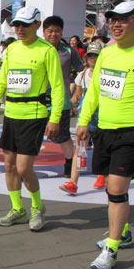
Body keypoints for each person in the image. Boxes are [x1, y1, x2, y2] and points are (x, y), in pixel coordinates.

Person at [76, 1, 134, 269]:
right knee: (112, 189)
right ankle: (123, 232)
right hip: (104, 130)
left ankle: (111, 249)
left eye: (124, 20)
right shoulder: (106, 53)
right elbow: (93, 92)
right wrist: (83, 121)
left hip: (132, 132)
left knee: (116, 188)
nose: (116, 24)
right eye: (113, 19)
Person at [0, 6, 64, 231]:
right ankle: (17, 209)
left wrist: (55, 117)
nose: (19, 29)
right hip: (11, 114)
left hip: (34, 115)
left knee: (23, 168)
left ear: (37, 25)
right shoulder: (11, 50)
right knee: (9, 165)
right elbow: (1, 80)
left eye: (25, 25)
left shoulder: (47, 51)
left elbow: (58, 87)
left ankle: (37, 207)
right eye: (17, 25)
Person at [60, 40, 106, 195]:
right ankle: (73, 182)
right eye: (91, 55)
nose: (93, 58)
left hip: (103, 115)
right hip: (85, 115)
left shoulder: (107, 75)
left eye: (97, 55)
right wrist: (68, 102)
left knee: (102, 147)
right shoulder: (82, 75)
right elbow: (78, 94)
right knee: (80, 148)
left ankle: (101, 175)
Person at [42, 16, 85, 177]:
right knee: (32, 136)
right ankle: (26, 168)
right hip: (36, 102)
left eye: (57, 31)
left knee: (63, 136)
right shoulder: (36, 49)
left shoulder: (69, 51)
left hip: (61, 103)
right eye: (50, 31)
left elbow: (82, 70)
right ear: (43, 31)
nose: (53, 34)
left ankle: (68, 165)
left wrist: (78, 92)